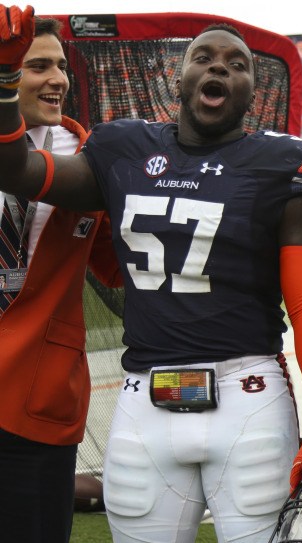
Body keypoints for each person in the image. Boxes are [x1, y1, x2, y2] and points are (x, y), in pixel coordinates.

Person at [0, 7, 302, 542]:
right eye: (202, 58)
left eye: (237, 64)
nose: (218, 69)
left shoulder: (283, 164)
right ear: (176, 76)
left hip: (246, 393)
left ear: (255, 90)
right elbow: (18, 170)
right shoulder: (121, 150)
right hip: (145, 400)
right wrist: (3, 81)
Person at [0, 16, 120, 543]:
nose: (58, 79)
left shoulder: (94, 162)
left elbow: (118, 268)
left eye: (61, 66)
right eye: (38, 65)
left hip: (38, 398)